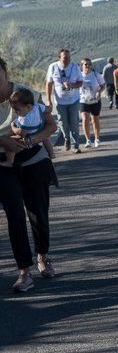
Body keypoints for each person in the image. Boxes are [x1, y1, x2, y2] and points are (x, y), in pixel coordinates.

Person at [0, 56, 59, 293]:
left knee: (38, 214)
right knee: (14, 215)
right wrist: (4, 141)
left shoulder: (26, 95)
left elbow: (51, 126)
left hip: (33, 159)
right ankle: (24, 271)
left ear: (5, 72)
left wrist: (29, 140)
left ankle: (43, 255)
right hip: (4, 164)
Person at [0, 88, 56, 167]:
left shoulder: (25, 120)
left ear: (28, 106)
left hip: (28, 134)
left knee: (10, 142)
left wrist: (13, 127)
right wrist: (50, 107)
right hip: (39, 129)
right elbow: (47, 110)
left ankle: (9, 161)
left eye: (17, 110)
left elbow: (21, 133)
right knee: (46, 138)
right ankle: (52, 153)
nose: (15, 112)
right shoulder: (37, 106)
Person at [45, 48, 84, 153]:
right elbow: (48, 84)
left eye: (69, 58)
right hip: (60, 102)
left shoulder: (75, 67)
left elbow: (80, 82)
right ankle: (66, 137)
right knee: (63, 123)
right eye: (65, 58)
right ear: (59, 58)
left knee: (74, 122)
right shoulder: (53, 67)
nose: (67, 60)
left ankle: (75, 145)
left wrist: (72, 85)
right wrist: (49, 100)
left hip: (74, 101)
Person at [79, 58, 106, 148]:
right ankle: (88, 140)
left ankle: (97, 139)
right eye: (85, 64)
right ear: (82, 66)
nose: (87, 66)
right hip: (83, 101)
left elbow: (103, 85)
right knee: (85, 119)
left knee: (95, 120)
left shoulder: (96, 75)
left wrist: (99, 91)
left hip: (95, 101)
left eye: (89, 64)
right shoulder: (79, 76)